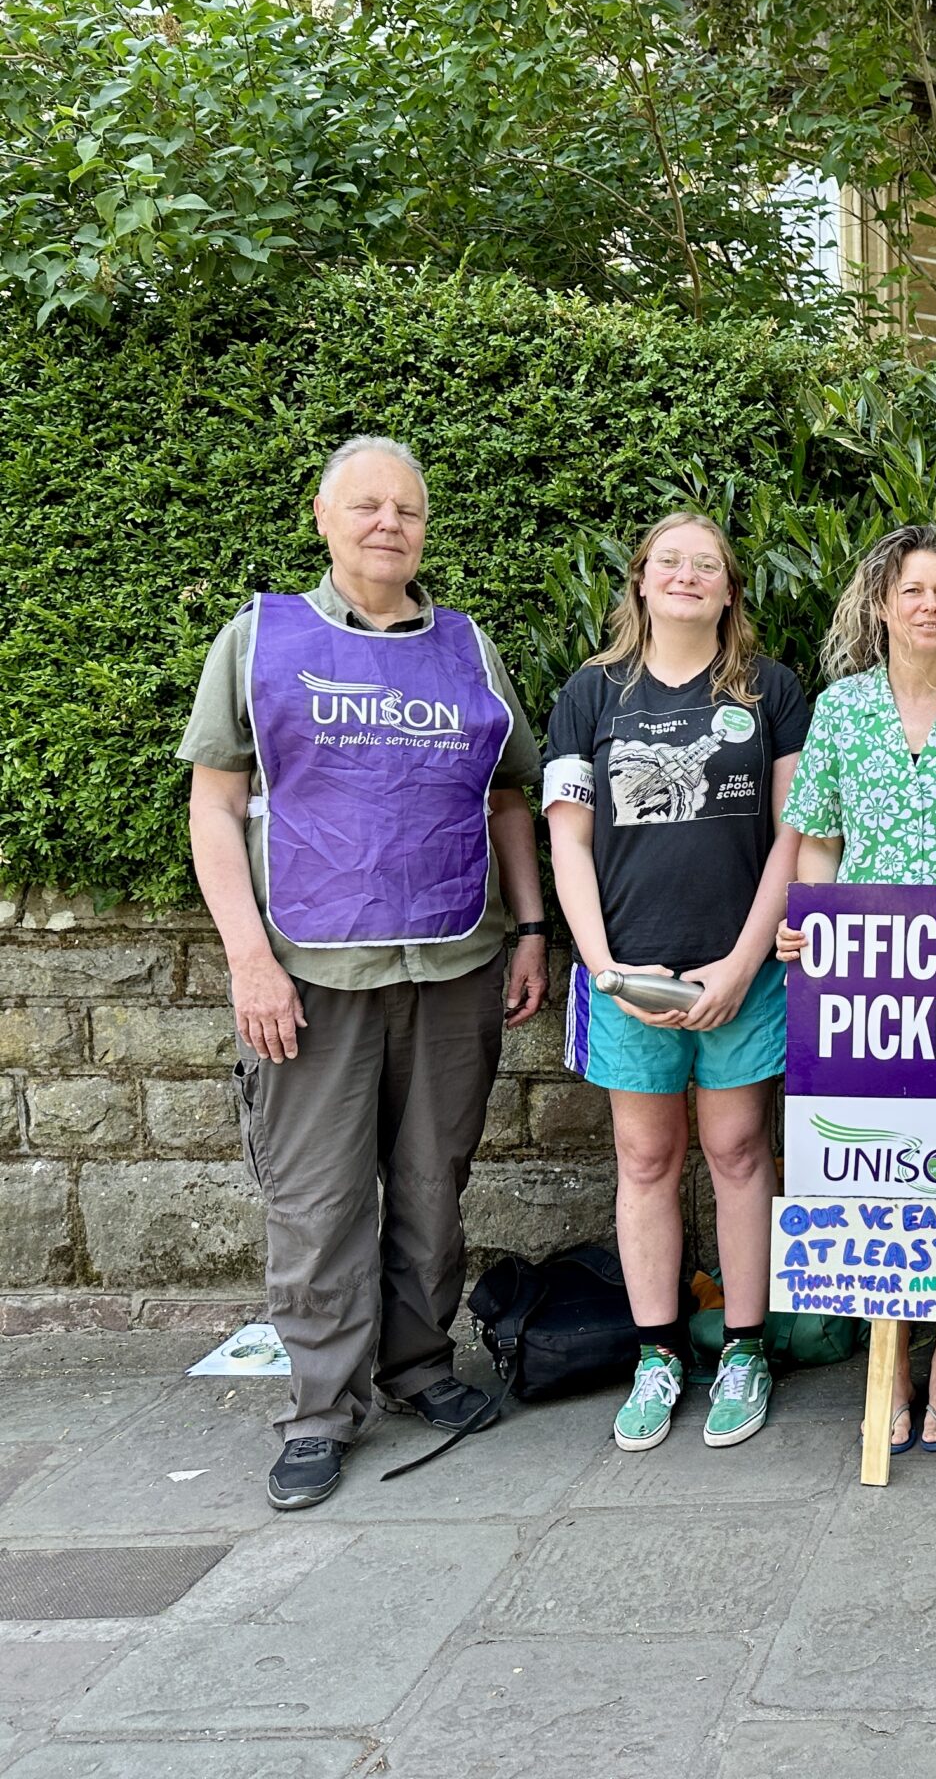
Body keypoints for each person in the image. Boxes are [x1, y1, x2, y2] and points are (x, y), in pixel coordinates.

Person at [181, 436, 549, 1511]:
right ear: (323, 516)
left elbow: (508, 798)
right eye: (368, 507)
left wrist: (531, 930)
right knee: (319, 1200)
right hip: (309, 969)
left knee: (434, 1186)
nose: (389, 524)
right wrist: (250, 961)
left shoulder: (467, 647)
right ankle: (319, 1411)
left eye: (409, 510)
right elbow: (212, 807)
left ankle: (421, 1367)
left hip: (453, 965)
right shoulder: (260, 641)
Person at [773, 524, 936, 1454]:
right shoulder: (840, 711)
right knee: (872, 1169)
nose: (931, 605)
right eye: (914, 590)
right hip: (862, 981)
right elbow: (819, 838)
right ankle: (887, 1359)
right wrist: (807, 920)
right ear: (882, 603)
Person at [543, 511, 807, 1453]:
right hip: (628, 974)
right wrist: (604, 966)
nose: (688, 577)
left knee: (738, 1152)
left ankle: (744, 1348)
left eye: (708, 566)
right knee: (645, 1159)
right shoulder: (589, 695)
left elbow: (794, 835)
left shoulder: (773, 691)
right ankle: (657, 1354)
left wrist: (743, 962)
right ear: (642, 582)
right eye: (670, 563)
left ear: (731, 589)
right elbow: (567, 840)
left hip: (739, 967)